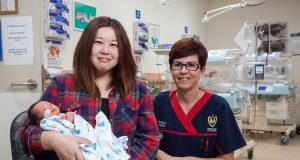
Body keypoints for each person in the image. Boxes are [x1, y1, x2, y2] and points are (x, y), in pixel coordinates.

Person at [20, 16, 159, 160]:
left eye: (114, 45)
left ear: (122, 51)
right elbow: (26, 132)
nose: (105, 50)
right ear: (86, 46)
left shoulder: (138, 90)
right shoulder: (61, 85)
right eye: (98, 42)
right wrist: (53, 140)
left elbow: (149, 139)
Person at [153, 38, 246, 160]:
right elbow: (145, 142)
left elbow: (227, 158)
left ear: (202, 71)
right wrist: (161, 155)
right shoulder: (160, 102)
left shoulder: (218, 106)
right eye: (177, 65)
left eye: (191, 65)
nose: (183, 71)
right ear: (171, 69)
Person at [27, 101, 130, 160]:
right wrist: (53, 139)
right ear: (41, 119)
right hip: (77, 149)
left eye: (49, 104)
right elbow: (25, 129)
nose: (49, 106)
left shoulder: (63, 115)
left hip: (96, 138)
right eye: (44, 109)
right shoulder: (49, 121)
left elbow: (145, 139)